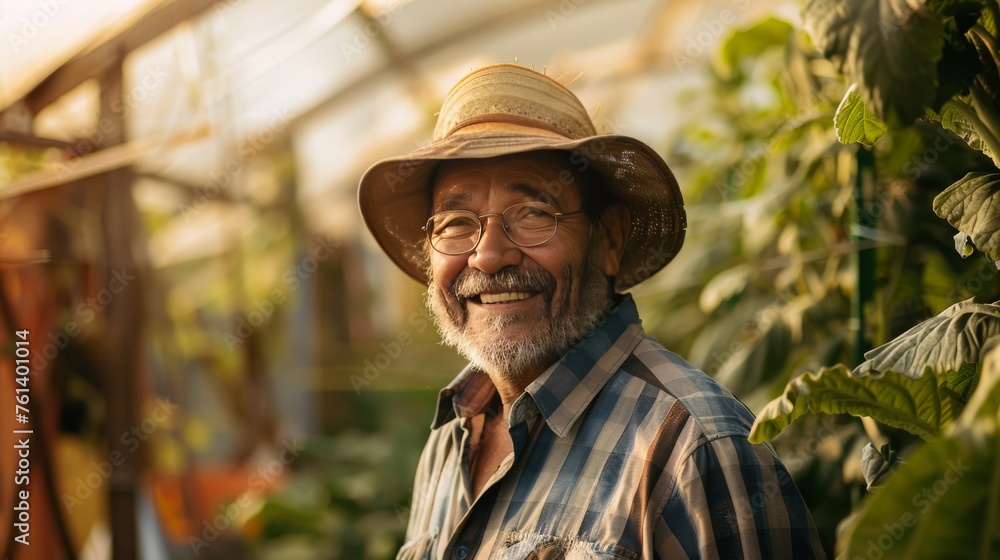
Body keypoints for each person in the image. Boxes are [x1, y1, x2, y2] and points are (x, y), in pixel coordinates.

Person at [358, 64, 825, 559]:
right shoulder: (452, 437)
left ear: (609, 239)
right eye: (455, 222)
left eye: (533, 213)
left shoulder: (693, 449)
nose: (488, 256)